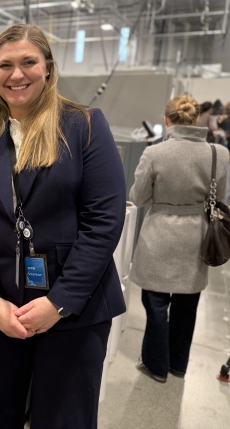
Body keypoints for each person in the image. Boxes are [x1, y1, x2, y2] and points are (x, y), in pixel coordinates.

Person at [0, 24, 127, 429]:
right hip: (2, 310)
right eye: (6, 65)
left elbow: (104, 222)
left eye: (28, 62)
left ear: (47, 67)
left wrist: (58, 303)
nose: (17, 75)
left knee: (65, 418)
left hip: (73, 312)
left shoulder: (83, 126)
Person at [129, 95, 228, 384]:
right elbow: (218, 197)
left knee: (155, 304)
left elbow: (138, 197)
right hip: (197, 235)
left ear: (166, 119)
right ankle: (178, 365)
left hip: (159, 233)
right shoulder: (218, 154)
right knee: (188, 304)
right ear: (196, 119)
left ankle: (155, 365)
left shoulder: (155, 153)